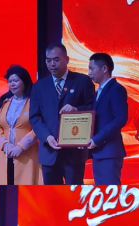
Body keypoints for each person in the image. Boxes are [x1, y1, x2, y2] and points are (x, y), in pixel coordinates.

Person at [30, 43, 95, 185]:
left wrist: (76, 109)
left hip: (74, 152)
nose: (52, 64)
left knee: (74, 193)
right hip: (49, 151)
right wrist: (47, 137)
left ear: (67, 59)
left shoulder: (82, 81)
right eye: (48, 60)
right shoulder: (39, 86)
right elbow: (35, 117)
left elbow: (93, 108)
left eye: (56, 59)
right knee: (52, 194)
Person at [0, 66, 42, 185]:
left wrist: (21, 146)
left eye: (16, 80)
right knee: (5, 185)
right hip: (6, 154)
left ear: (24, 81)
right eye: (10, 81)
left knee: (26, 186)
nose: (12, 84)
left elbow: (38, 127)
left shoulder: (34, 102)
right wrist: (4, 145)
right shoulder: (5, 102)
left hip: (27, 153)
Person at [87, 54, 128, 185]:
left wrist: (97, 139)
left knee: (109, 192)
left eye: (91, 68)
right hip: (99, 152)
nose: (89, 73)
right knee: (101, 191)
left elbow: (120, 119)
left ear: (104, 68)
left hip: (109, 151)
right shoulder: (99, 91)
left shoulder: (116, 89)